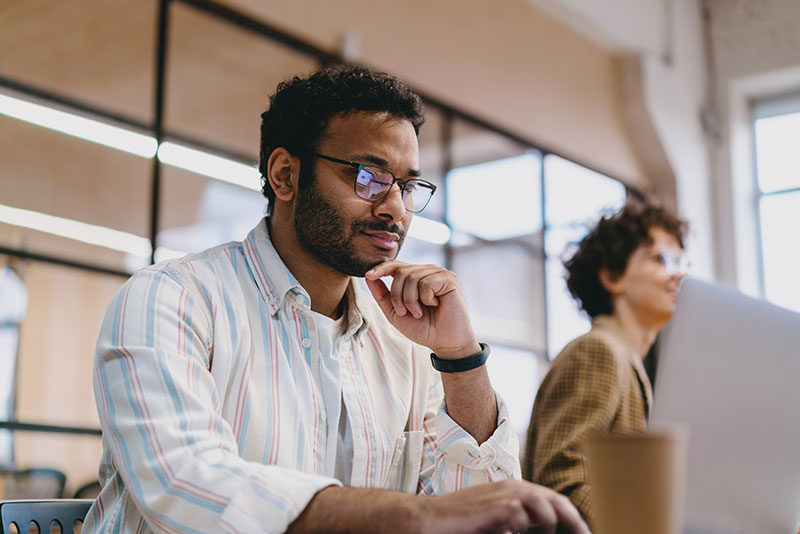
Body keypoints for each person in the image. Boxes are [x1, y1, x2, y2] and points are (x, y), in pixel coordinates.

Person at [84, 65, 589, 534]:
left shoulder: (406, 339)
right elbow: (185, 484)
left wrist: (460, 359)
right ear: (285, 176)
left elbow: (476, 508)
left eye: (408, 186)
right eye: (368, 176)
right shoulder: (171, 300)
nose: (396, 209)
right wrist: (418, 515)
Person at [522, 201, 688, 525]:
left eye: (682, 262)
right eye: (662, 259)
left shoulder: (626, 358)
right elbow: (561, 480)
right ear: (613, 276)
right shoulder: (599, 351)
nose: (679, 274)